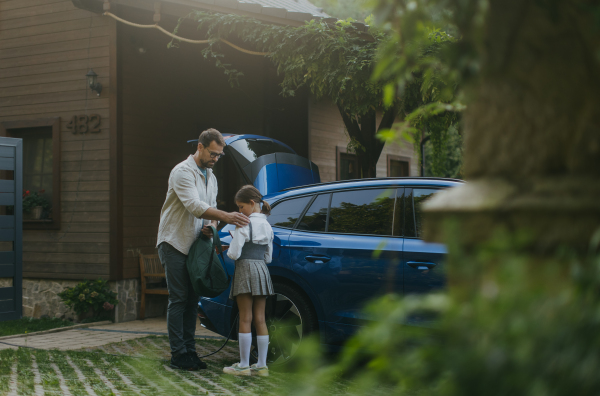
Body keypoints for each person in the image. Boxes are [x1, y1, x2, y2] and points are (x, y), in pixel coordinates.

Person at [157, 128, 250, 371]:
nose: (215, 159)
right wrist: (227, 216)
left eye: (220, 155)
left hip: (197, 246)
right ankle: (178, 354)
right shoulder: (182, 172)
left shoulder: (212, 176)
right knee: (179, 299)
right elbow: (195, 206)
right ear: (200, 147)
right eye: (212, 153)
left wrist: (213, 225)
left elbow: (209, 210)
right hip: (174, 242)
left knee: (193, 300)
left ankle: (190, 351)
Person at [223, 185, 274, 377]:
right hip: (262, 270)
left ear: (252, 204)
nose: (239, 211)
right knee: (260, 319)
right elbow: (268, 257)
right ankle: (261, 366)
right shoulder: (268, 225)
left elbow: (234, 254)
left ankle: (244, 365)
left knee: (245, 317)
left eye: (241, 206)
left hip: (245, 269)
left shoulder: (243, 224)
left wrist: (234, 238)